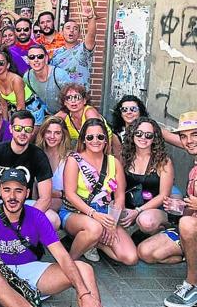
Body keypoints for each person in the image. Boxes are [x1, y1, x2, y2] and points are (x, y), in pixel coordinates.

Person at [0, 168, 102, 307]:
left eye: (18, 190)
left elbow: (62, 256)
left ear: (27, 193)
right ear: (0, 191)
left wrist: (84, 293)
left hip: (33, 272)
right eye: (7, 190)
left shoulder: (37, 216)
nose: (12, 196)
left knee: (85, 269)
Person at [59, 118, 138, 265]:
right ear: (83, 140)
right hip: (77, 212)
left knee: (130, 257)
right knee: (94, 228)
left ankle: (93, 243)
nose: (95, 140)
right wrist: (93, 214)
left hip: (106, 213)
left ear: (106, 140)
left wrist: (112, 222)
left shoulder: (114, 162)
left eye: (100, 137)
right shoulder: (74, 160)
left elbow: (120, 195)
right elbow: (70, 194)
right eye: (90, 137)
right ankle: (69, 262)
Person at [0, 110, 57, 228]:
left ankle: (32, 245)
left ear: (32, 131)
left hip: (25, 204)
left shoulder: (38, 155)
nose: (23, 133)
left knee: (53, 220)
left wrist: (27, 220)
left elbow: (45, 197)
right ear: (11, 129)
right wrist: (0, 215)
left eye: (27, 129)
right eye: (18, 128)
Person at [120, 118, 175, 260]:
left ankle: (160, 234)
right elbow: (118, 186)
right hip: (128, 207)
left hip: (154, 209)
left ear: (154, 138)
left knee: (146, 221)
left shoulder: (163, 161)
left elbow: (164, 195)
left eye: (148, 135)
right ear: (132, 134)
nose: (143, 138)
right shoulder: (124, 157)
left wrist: (138, 211)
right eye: (139, 133)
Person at [163, 111, 197, 307]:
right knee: (149, 253)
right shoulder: (194, 167)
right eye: (184, 136)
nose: (188, 141)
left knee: (187, 224)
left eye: (194, 135)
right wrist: (182, 207)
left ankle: (192, 285)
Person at [55, 84, 118, 153]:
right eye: (68, 98)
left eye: (77, 97)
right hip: (84, 147)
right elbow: (46, 125)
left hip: (106, 146)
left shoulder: (89, 112)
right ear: (65, 102)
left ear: (84, 100)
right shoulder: (64, 114)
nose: (73, 101)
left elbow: (96, 137)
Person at [0, 50, 45, 125]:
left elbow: (21, 107)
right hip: (16, 111)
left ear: (7, 65)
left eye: (1, 63)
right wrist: (5, 125)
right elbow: (4, 105)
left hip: (33, 111)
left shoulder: (16, 80)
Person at [49, 6, 97, 89]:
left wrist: (90, 18)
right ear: (62, 32)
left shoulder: (83, 49)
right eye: (68, 28)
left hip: (80, 96)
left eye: (75, 29)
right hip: (60, 96)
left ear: (79, 34)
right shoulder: (56, 53)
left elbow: (91, 35)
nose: (71, 30)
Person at [36, 116, 72, 212]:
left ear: (63, 135)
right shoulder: (36, 154)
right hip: (38, 202)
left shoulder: (70, 158)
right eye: (48, 132)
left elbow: (73, 193)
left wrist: (59, 194)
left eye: (57, 133)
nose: (52, 136)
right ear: (43, 133)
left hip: (64, 205)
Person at [23, 44, 71, 115]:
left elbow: (72, 99)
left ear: (46, 58)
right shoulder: (27, 77)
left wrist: (58, 116)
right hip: (47, 114)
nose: (36, 60)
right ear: (28, 60)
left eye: (40, 56)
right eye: (32, 57)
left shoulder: (59, 75)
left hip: (68, 112)